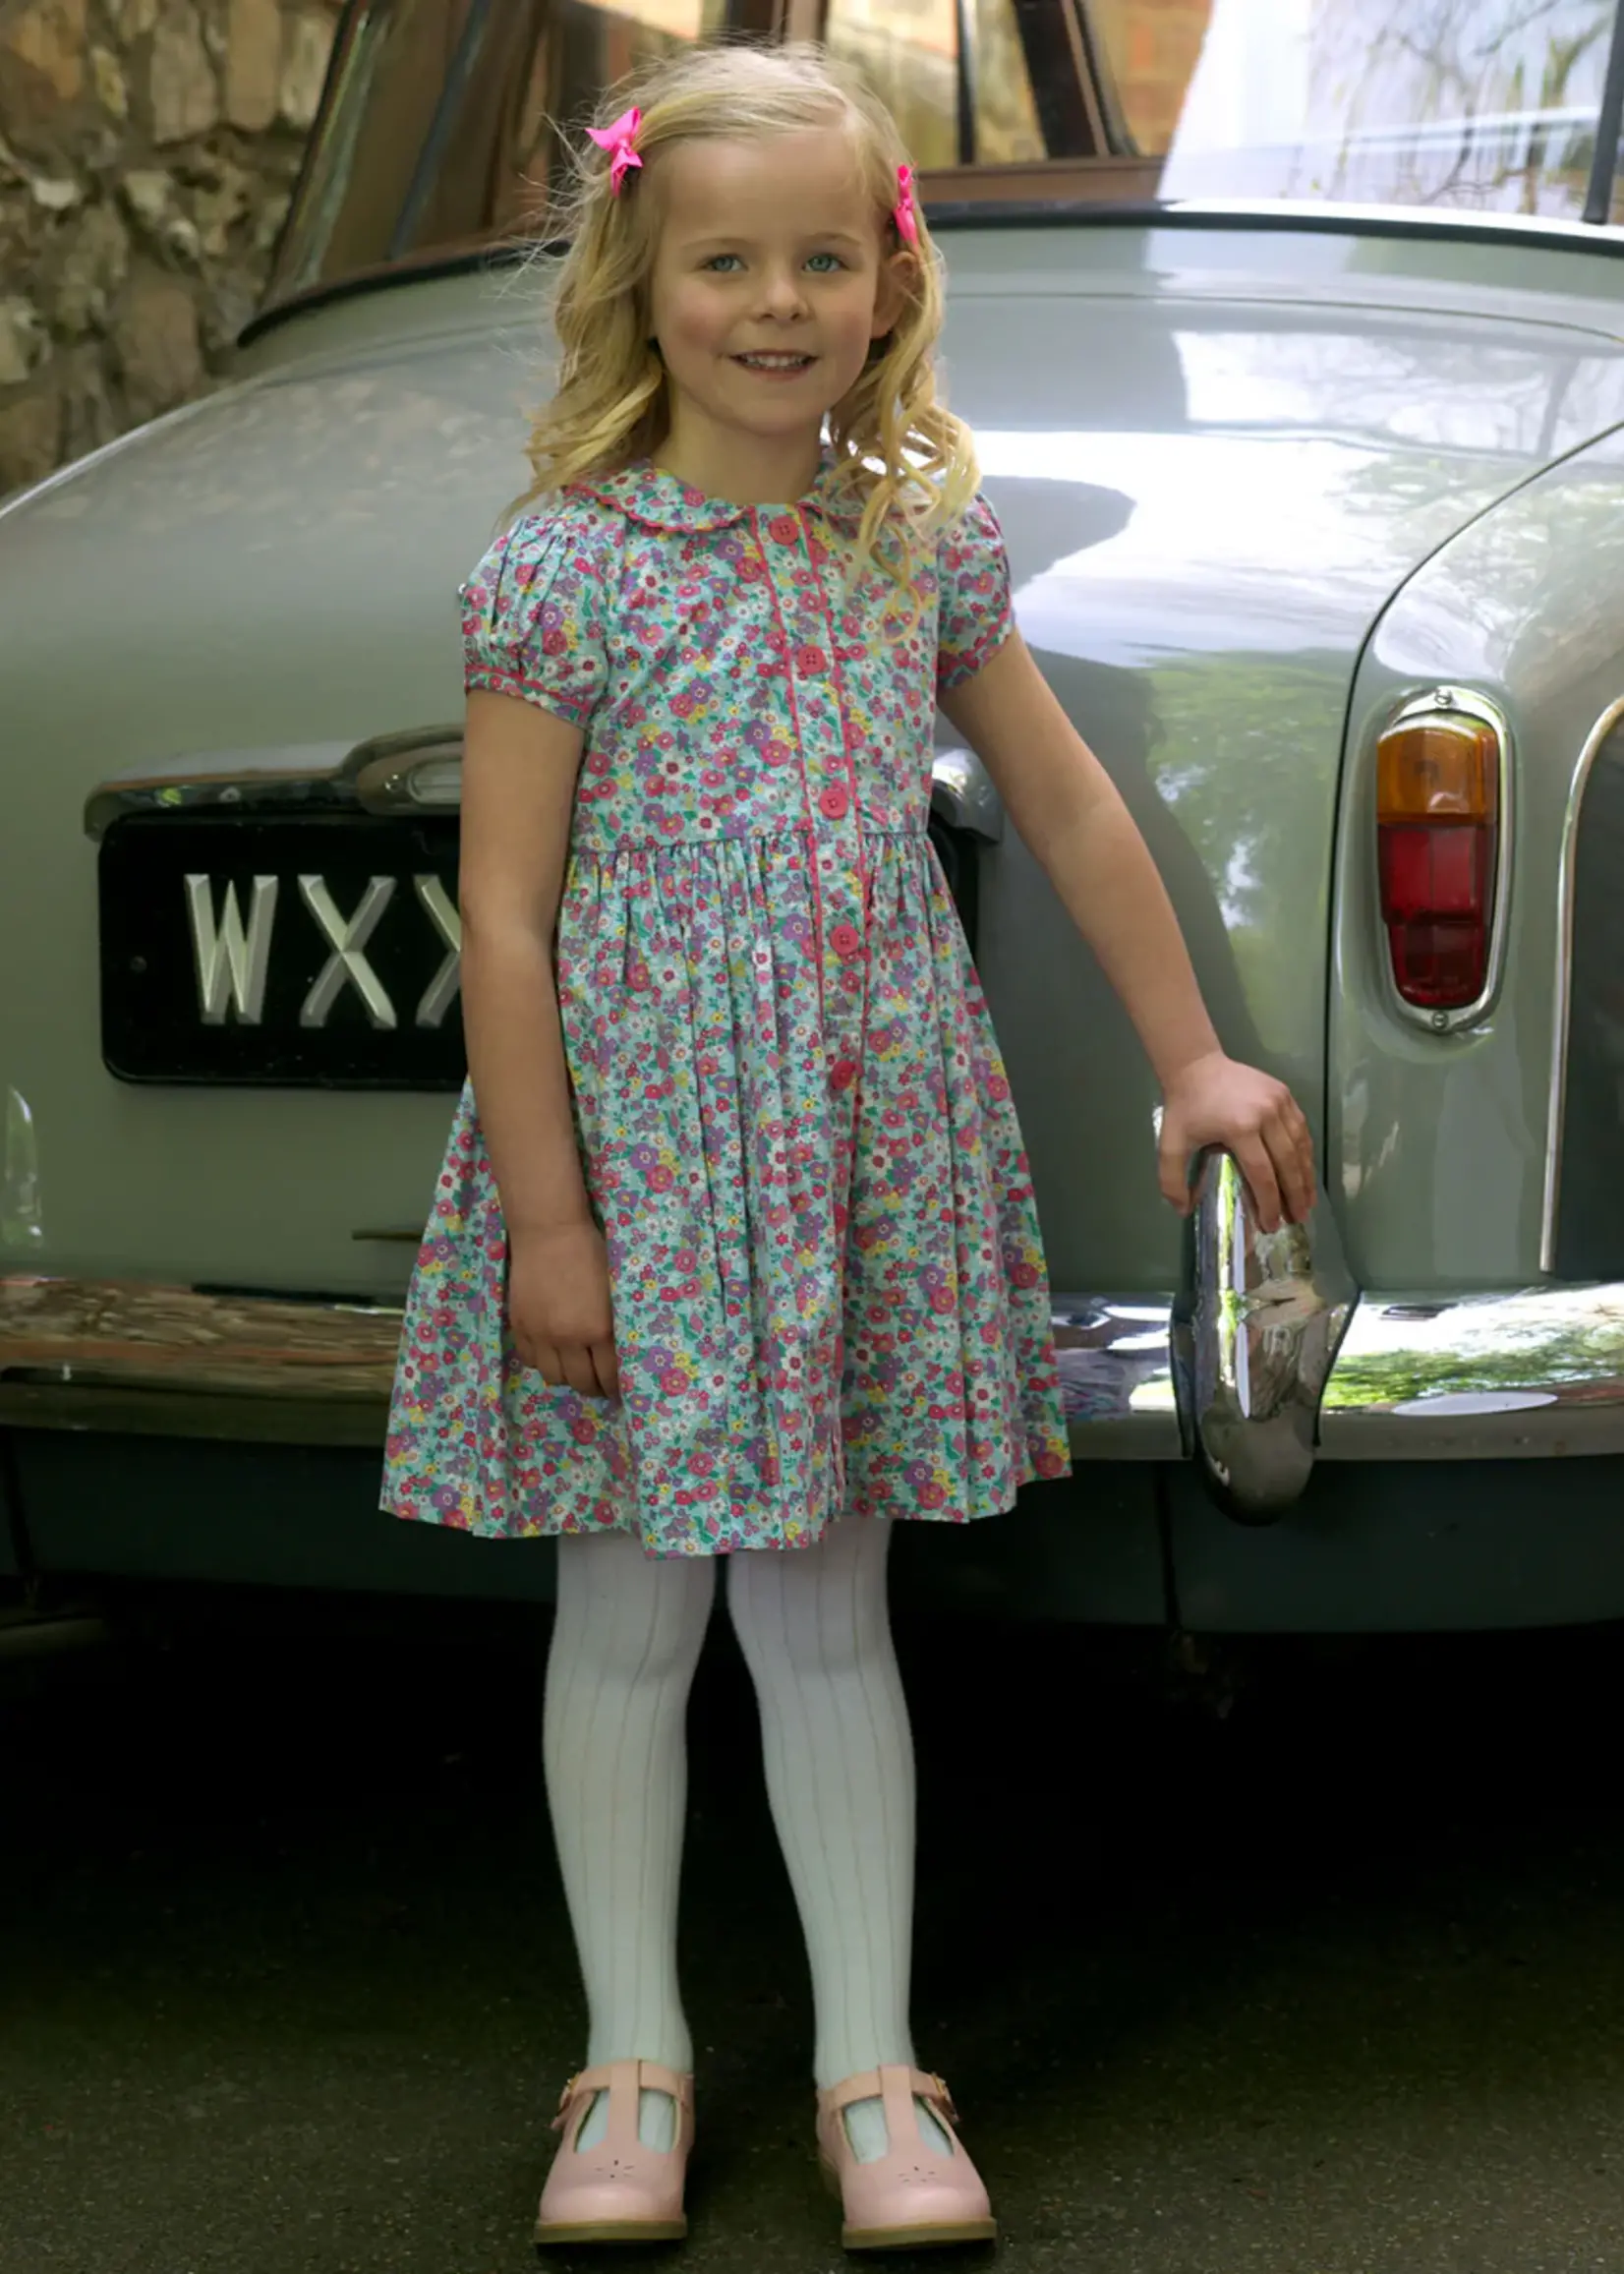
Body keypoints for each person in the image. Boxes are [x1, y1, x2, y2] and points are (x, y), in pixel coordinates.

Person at [380, 38, 1316, 2255]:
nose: (775, 302)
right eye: (726, 260)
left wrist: (1196, 1059)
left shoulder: (915, 536)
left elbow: (1071, 806)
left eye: (824, 257)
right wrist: (548, 1218)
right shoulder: (563, 569)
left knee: (824, 1615)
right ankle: (629, 2061)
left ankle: (870, 2074)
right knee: (625, 1614)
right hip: (639, 1160)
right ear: (644, 271)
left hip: (843, 1147)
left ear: (890, 282)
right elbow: (502, 919)